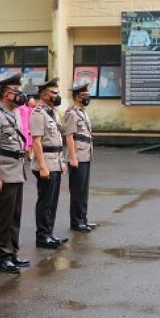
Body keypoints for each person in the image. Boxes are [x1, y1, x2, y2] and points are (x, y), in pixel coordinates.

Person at [0, 72, 30, 274]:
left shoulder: (13, 113)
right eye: (16, 92)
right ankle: (3, 256)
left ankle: (12, 253)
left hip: (17, 169)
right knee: (3, 217)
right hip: (4, 171)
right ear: (6, 94)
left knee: (15, 215)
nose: (20, 95)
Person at [29, 78, 69, 249]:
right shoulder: (38, 113)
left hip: (55, 161)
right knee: (45, 201)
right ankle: (42, 235)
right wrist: (43, 166)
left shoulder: (52, 112)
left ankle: (49, 233)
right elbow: (37, 142)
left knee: (53, 201)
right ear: (44, 95)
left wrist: (62, 161)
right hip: (45, 163)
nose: (57, 96)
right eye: (54, 93)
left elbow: (57, 140)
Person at [65, 82, 98, 232]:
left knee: (83, 190)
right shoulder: (72, 114)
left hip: (86, 154)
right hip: (78, 155)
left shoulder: (83, 112)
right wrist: (73, 158)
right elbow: (70, 137)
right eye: (85, 95)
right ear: (78, 97)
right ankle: (76, 221)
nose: (87, 98)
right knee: (77, 191)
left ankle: (83, 218)